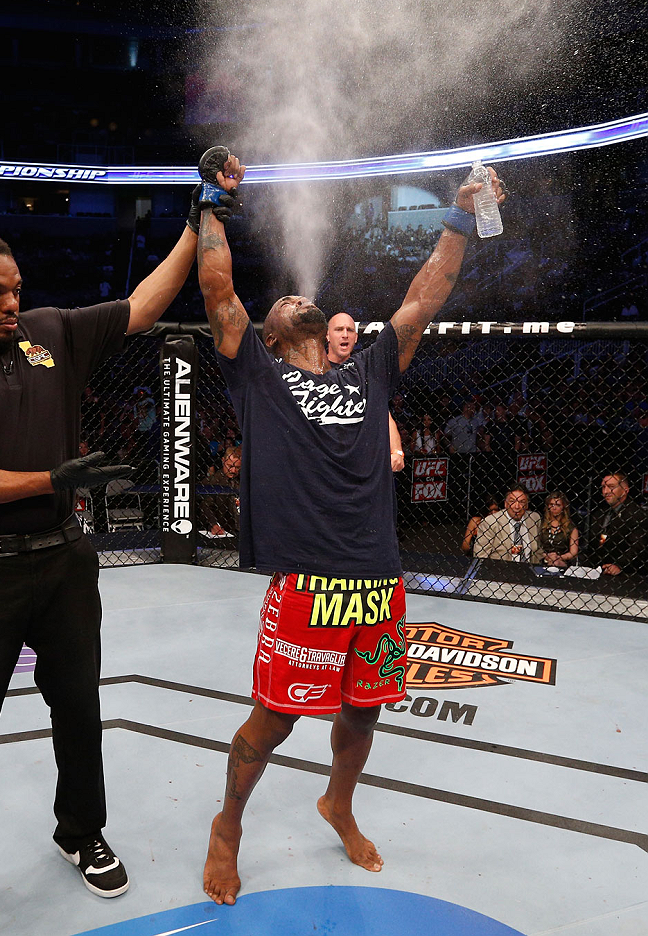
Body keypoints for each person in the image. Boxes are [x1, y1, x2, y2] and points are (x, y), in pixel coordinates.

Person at [196, 147, 506, 906]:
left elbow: (425, 296)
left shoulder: (368, 369)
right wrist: (212, 199)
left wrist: (460, 213)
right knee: (271, 724)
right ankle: (227, 827)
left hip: (378, 579)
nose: (297, 301)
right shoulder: (258, 376)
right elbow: (219, 291)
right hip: (307, 582)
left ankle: (338, 803)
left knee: (363, 714)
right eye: (284, 307)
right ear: (271, 337)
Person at [0, 174, 235, 931]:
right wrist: (44, 477)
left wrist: (196, 216)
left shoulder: (49, 330)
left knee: (78, 707)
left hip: (66, 560)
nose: (11, 303)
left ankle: (81, 833)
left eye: (15, 289)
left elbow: (144, 305)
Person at [326, 312, 404, 471]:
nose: (345, 335)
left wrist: (397, 451)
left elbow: (383, 413)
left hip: (361, 463)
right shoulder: (313, 370)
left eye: (349, 330)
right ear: (327, 336)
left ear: (356, 338)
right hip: (326, 463)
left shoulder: (365, 370)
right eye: (339, 329)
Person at [585, 471, 648, 575]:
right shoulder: (599, 514)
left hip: (628, 575)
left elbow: (638, 547)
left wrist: (619, 565)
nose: (606, 491)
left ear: (625, 490)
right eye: (603, 487)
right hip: (597, 570)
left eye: (611, 486)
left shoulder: (636, 514)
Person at [473, 483, 541, 563]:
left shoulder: (534, 518)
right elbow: (480, 556)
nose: (517, 506)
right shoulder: (490, 522)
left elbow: (538, 550)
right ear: (505, 504)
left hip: (528, 570)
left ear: (526, 505)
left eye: (521, 502)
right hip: (500, 571)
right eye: (512, 501)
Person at [197, 445, 242, 538]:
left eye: (237, 467)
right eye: (230, 466)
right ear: (223, 460)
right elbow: (206, 506)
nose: (233, 470)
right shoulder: (212, 481)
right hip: (224, 530)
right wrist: (213, 524)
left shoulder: (244, 481)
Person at [538, 490, 578, 568]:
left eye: (558, 505)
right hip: (543, 559)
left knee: (555, 563)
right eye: (551, 504)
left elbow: (573, 552)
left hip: (562, 561)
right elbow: (535, 546)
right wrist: (546, 556)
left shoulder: (571, 527)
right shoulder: (541, 524)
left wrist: (558, 557)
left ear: (563, 507)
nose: (554, 508)